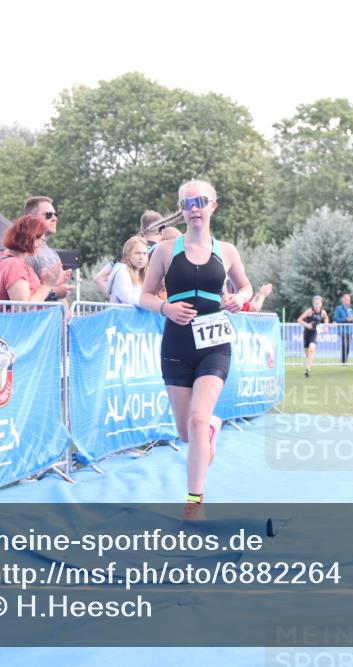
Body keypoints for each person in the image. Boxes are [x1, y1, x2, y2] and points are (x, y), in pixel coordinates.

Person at [139, 180, 252, 515]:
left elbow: (245, 287)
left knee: (199, 419)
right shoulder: (163, 251)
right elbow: (144, 295)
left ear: (213, 205)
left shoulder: (227, 251)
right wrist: (166, 308)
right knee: (188, 432)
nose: (194, 209)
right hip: (177, 344)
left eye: (201, 201)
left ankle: (194, 502)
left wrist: (238, 298)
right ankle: (210, 429)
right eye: (187, 204)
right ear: (181, 210)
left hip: (215, 344)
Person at [0, 214, 72, 306]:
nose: (42, 245)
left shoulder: (7, 259)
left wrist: (51, 281)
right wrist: (47, 285)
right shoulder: (14, 265)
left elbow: (28, 294)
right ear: (32, 239)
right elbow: (23, 307)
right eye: (42, 240)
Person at [95, 211, 165, 295]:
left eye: (144, 254)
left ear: (142, 229)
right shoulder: (162, 252)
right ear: (161, 230)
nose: (141, 256)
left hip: (127, 306)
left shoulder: (128, 251)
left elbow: (99, 278)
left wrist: (117, 298)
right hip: (150, 306)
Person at [22, 196, 67, 302]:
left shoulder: (52, 253)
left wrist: (67, 317)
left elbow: (61, 294)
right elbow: (23, 299)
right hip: (38, 317)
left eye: (55, 214)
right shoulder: (25, 253)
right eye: (48, 215)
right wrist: (54, 293)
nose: (55, 218)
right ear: (31, 218)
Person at [107, 236, 148, 306]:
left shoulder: (140, 272)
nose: (141, 257)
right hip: (121, 316)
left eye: (144, 253)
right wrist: (151, 303)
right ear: (128, 254)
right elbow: (128, 299)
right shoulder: (122, 273)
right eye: (137, 253)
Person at [297, 295, 329, 378]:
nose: (317, 305)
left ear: (321, 304)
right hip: (306, 333)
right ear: (313, 304)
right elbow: (299, 320)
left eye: (318, 303)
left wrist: (326, 326)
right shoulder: (309, 311)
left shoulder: (323, 312)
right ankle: (310, 363)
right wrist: (306, 324)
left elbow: (326, 318)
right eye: (315, 304)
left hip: (314, 333)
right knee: (308, 353)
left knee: (312, 349)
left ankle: (307, 371)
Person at [332, 292, 353, 364]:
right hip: (342, 330)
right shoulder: (338, 308)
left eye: (349, 299)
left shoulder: (350, 309)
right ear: (343, 300)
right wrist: (345, 319)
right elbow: (335, 318)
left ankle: (345, 361)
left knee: (347, 346)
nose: (348, 301)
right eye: (347, 299)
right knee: (345, 345)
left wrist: (352, 320)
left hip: (349, 331)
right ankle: (343, 361)